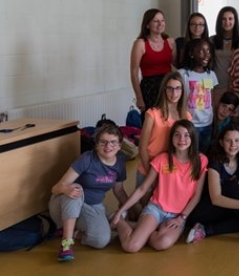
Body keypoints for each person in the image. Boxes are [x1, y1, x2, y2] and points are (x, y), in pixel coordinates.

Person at [110, 120, 207, 253]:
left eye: (186, 135)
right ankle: (118, 220)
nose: (182, 139)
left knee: (161, 243)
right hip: (156, 210)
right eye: (177, 135)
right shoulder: (162, 159)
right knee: (131, 246)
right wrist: (120, 211)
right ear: (171, 138)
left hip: (177, 215)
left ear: (193, 138)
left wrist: (181, 218)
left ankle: (143, 230)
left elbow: (196, 195)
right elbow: (142, 189)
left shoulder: (201, 160)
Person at [49, 124, 129, 261]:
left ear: (120, 146)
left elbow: (119, 190)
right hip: (64, 206)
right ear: (97, 145)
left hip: (91, 208)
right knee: (76, 189)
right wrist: (66, 189)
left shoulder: (120, 163)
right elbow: (55, 188)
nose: (108, 146)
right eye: (103, 142)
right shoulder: (87, 158)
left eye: (113, 142)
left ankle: (72, 232)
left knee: (102, 240)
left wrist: (129, 209)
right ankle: (66, 244)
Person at [137, 72, 191, 204]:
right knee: (141, 208)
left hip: (170, 171)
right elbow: (142, 148)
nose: (174, 93)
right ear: (164, 90)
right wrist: (152, 175)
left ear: (182, 91)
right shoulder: (152, 113)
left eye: (178, 88)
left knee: (164, 209)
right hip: (148, 167)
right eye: (170, 88)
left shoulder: (186, 116)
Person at [130, 8, 175, 112]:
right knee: (151, 120)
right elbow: (134, 72)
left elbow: (176, 65)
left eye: (162, 20)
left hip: (168, 86)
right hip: (149, 88)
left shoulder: (171, 42)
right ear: (147, 25)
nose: (160, 24)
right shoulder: (140, 44)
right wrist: (139, 98)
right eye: (156, 21)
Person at [179, 38, 218, 154]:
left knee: (203, 154)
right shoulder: (183, 74)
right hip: (190, 123)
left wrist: (214, 120)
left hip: (207, 123)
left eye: (208, 51)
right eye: (201, 51)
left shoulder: (210, 74)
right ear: (191, 53)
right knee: (190, 154)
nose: (207, 54)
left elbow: (211, 99)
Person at [211, 6, 239, 109]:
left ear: (235, 21)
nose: (227, 22)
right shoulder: (212, 40)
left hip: (236, 87)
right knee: (217, 115)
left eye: (230, 19)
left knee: (234, 116)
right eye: (223, 19)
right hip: (217, 85)